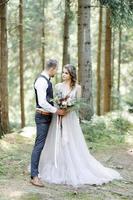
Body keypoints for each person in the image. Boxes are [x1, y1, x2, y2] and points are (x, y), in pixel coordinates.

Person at [38, 64, 122, 187]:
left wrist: (67, 110)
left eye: (66, 73)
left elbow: (76, 104)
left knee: (70, 142)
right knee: (58, 141)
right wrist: (60, 109)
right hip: (59, 117)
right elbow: (55, 101)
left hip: (70, 119)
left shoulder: (77, 88)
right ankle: (59, 166)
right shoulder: (58, 86)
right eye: (62, 72)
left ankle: (72, 166)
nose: (63, 75)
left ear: (71, 74)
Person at [30, 59, 66, 187]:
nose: (57, 72)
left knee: (40, 144)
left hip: (47, 117)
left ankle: (33, 168)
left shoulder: (46, 80)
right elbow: (43, 102)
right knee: (39, 145)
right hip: (42, 117)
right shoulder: (41, 81)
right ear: (52, 69)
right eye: (56, 70)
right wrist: (56, 110)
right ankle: (34, 175)